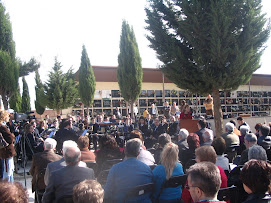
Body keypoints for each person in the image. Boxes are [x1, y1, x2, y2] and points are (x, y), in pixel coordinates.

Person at [29, 138, 62, 202]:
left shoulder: (36, 156)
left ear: (44, 146)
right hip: (54, 186)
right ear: (54, 147)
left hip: (40, 186)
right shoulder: (59, 158)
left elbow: (32, 172)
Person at [0, 110, 16, 183]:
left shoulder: (4, 126)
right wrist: (12, 135)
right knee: (8, 172)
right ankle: (7, 190)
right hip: (6, 152)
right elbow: (10, 139)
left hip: (6, 152)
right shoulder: (2, 127)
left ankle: (11, 187)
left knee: (11, 170)